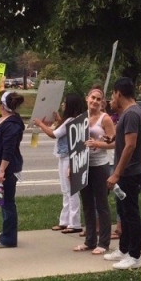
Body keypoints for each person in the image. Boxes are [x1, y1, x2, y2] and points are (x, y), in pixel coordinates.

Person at [102, 77, 141, 270]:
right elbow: (125, 140)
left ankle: (135, 255)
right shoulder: (133, 112)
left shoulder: (130, 114)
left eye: (113, 94)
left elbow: (130, 146)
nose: (112, 98)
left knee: (131, 214)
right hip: (128, 172)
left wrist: (116, 174)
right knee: (123, 211)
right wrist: (114, 137)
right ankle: (123, 249)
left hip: (129, 172)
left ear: (118, 93)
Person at [32, 93, 87, 235]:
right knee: (65, 190)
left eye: (65, 102)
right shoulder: (69, 120)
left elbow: (54, 134)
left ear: (70, 105)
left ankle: (74, 223)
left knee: (71, 190)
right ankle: (64, 221)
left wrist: (40, 124)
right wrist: (58, 119)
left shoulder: (70, 120)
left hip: (69, 158)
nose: (62, 104)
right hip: (64, 156)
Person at [77, 86, 116, 255]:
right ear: (87, 98)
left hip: (100, 165)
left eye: (98, 99)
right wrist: (73, 165)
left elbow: (115, 142)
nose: (95, 101)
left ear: (103, 102)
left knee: (101, 204)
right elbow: (75, 143)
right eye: (92, 97)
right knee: (86, 204)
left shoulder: (105, 119)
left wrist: (98, 144)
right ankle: (90, 240)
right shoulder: (81, 117)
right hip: (83, 165)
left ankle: (104, 243)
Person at [0, 90, 26, 249]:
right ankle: (5, 234)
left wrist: (2, 170)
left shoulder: (12, 124)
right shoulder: (3, 118)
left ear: (2, 105)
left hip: (7, 169)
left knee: (8, 203)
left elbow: (8, 149)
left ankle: (9, 239)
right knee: (1, 201)